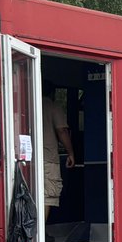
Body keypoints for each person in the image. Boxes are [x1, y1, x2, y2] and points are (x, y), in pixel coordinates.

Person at [43, 89, 76, 222]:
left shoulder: (23, 103)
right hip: (48, 158)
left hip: (25, 159)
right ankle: (40, 233)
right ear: (52, 93)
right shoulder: (52, 106)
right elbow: (61, 130)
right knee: (48, 196)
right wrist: (71, 153)